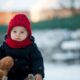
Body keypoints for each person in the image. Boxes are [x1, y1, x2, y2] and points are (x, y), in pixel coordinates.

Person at [0, 14, 44, 80]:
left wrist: (38, 72)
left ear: (27, 34)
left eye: (22, 32)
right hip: (9, 77)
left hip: (26, 76)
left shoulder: (31, 46)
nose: (18, 34)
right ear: (10, 33)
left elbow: (37, 60)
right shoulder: (5, 45)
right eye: (14, 31)